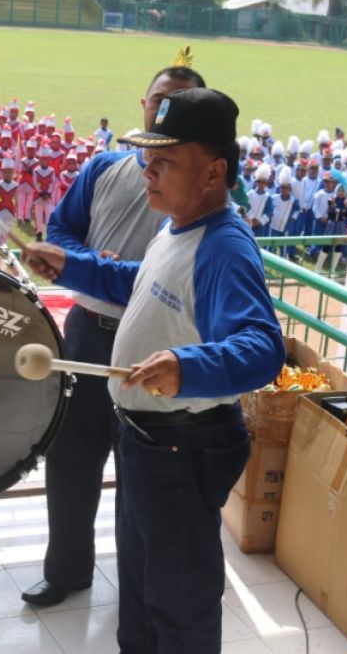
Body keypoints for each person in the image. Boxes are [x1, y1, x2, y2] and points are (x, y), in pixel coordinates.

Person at [23, 87, 286, 652]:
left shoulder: (225, 249)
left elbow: (263, 347)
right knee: (142, 596)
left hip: (181, 447)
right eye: (149, 157)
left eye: (164, 161)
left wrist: (186, 366)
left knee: (179, 604)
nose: (149, 171)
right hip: (148, 442)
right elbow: (137, 282)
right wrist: (73, 265)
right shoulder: (181, 226)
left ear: (213, 173)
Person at [20, 57, 206, 609]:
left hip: (153, 347)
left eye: (179, 106)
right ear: (142, 107)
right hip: (86, 333)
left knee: (141, 471)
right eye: (157, 102)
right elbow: (61, 230)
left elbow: (167, 279)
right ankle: (67, 570)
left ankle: (142, 584)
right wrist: (82, 260)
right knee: (71, 458)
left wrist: (91, 269)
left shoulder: (196, 191)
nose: (163, 113)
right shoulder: (104, 168)